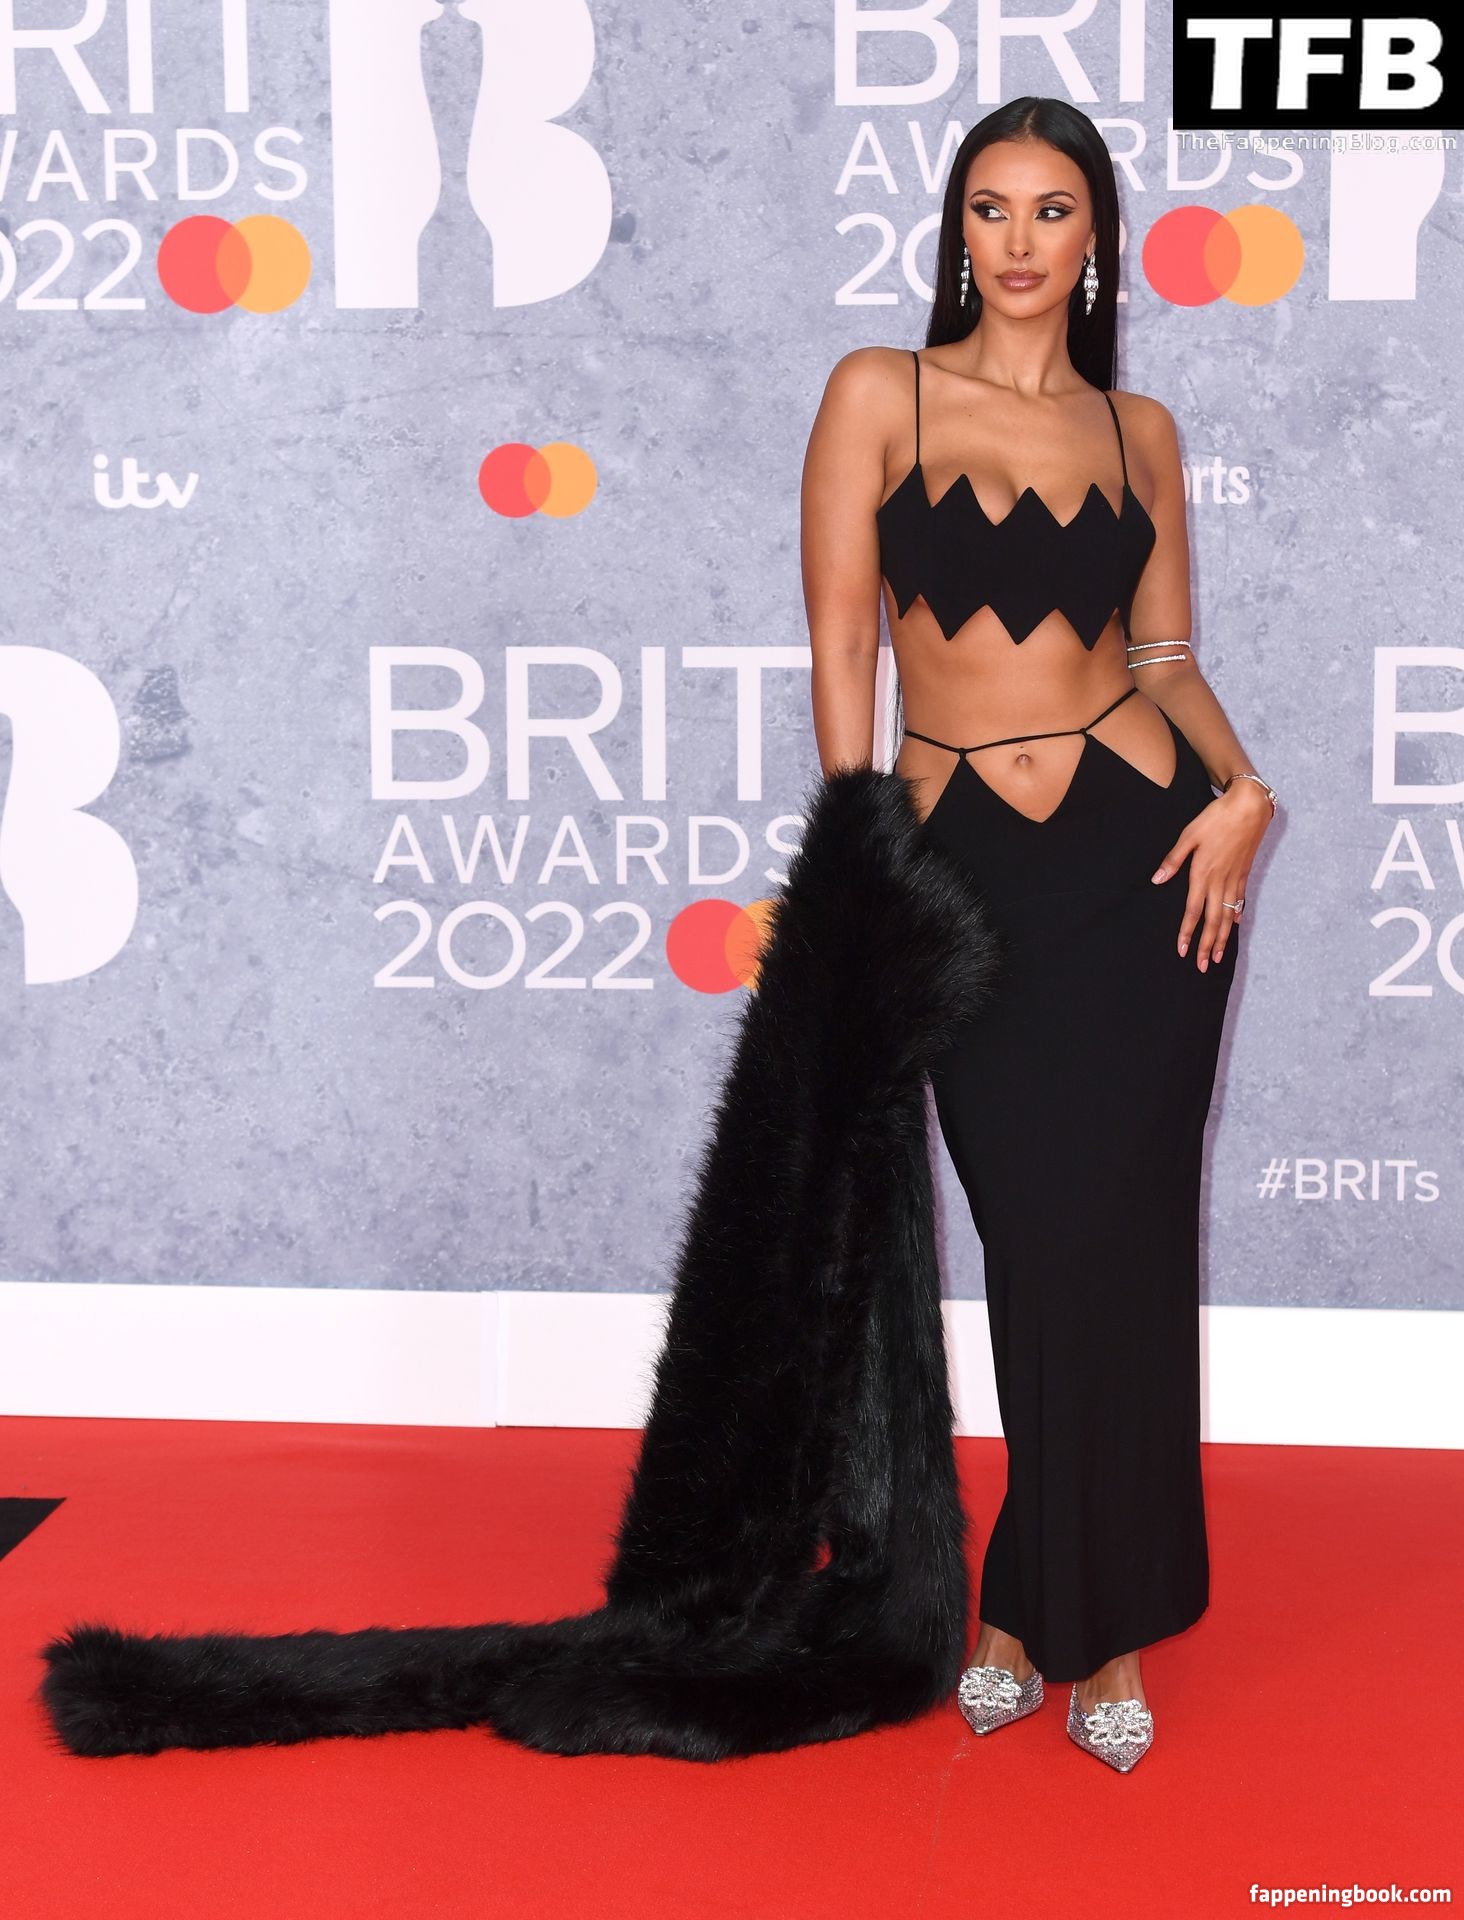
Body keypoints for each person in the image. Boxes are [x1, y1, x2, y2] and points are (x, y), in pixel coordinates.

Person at [799, 95, 1277, 1774]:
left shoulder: (1140, 428)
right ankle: (1031, 1591)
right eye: (990, 208)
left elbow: (1163, 659)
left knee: (1126, 1252)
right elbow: (845, 653)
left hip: (1143, 872)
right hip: (965, 870)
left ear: (1094, 242)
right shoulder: (880, 391)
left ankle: (1096, 1623)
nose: (1018, 240)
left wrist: (1245, 789)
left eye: (1052, 211)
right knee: (1034, 1242)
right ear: (955, 231)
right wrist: (862, 870)